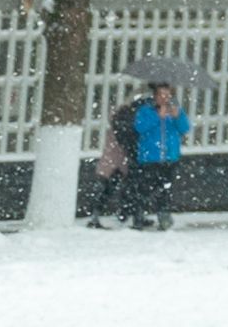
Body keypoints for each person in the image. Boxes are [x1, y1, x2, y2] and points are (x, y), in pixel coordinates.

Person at [121, 81, 189, 230]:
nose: (165, 98)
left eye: (167, 94)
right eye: (161, 95)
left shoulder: (175, 110)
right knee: (144, 190)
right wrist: (158, 117)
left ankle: (164, 219)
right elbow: (139, 127)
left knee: (165, 191)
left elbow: (185, 128)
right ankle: (138, 219)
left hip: (169, 157)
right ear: (155, 96)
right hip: (149, 158)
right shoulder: (146, 110)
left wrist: (178, 117)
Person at [80, 90, 141, 227]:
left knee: (109, 189)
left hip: (114, 160)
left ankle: (102, 215)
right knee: (122, 189)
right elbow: (126, 139)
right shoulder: (126, 118)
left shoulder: (120, 116)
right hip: (122, 160)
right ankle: (125, 215)